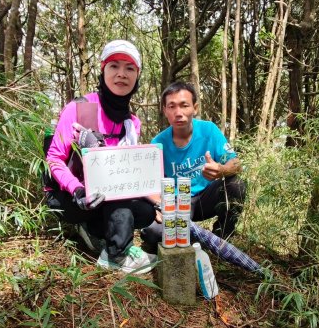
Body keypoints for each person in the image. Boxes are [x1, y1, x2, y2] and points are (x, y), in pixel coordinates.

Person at [45, 40, 157, 274]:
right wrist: (77, 189)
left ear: (137, 75)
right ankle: (116, 256)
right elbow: (54, 158)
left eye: (129, 68)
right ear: (103, 70)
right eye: (114, 66)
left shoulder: (132, 123)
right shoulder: (80, 108)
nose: (121, 74)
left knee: (145, 212)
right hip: (71, 196)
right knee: (116, 192)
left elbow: (126, 175)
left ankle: (95, 233)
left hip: (107, 197)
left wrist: (160, 200)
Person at [142, 81, 246, 246]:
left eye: (184, 105)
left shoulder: (209, 130)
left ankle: (222, 238)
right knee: (154, 235)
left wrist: (221, 169)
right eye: (172, 106)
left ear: (195, 108)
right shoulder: (158, 143)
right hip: (177, 201)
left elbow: (236, 163)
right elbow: (149, 183)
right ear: (164, 110)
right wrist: (160, 205)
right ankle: (199, 239)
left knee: (236, 184)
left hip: (207, 197)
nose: (178, 113)